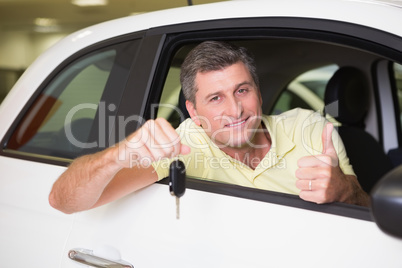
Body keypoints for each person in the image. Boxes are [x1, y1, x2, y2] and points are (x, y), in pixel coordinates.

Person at [49, 41, 369, 214]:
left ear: (258, 90)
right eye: (215, 98)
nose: (235, 109)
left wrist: (346, 191)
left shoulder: (309, 126)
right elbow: (64, 201)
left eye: (242, 90)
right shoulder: (182, 146)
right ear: (193, 111)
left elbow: (367, 209)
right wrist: (118, 155)